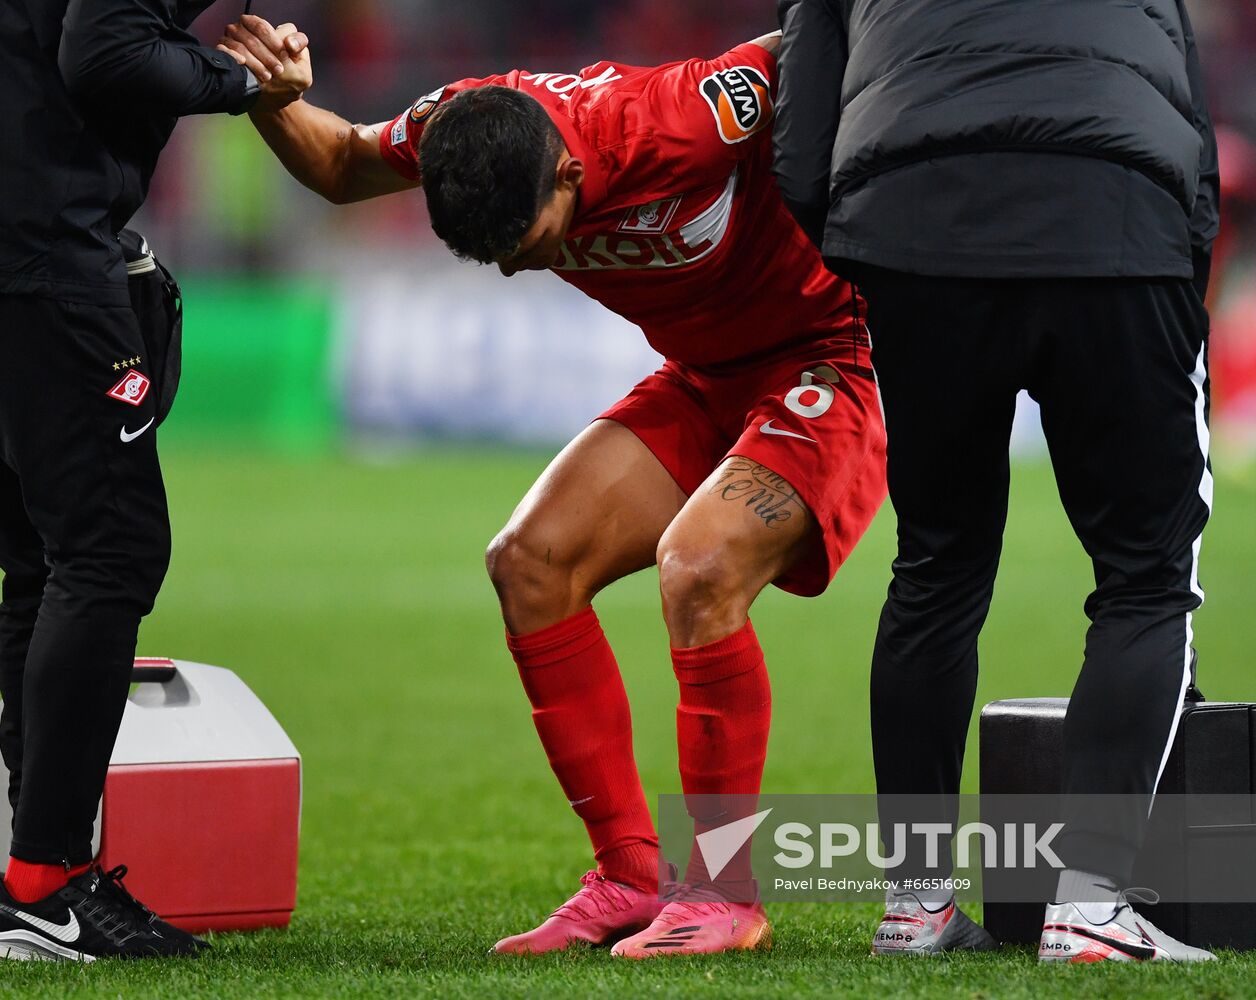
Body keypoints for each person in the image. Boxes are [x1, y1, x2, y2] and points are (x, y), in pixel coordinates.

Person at [221, 18, 888, 958]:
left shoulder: (684, 118)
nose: (508, 263)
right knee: (529, 564)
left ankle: (725, 895)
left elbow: (824, 35)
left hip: (826, 357)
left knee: (697, 568)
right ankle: (627, 875)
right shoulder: (458, 123)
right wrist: (266, 95)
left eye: (522, 238)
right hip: (703, 375)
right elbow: (339, 166)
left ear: (569, 177)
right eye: (484, 251)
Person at [773, 0, 1220, 963]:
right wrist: (1180, 253)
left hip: (917, 229)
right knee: (1147, 572)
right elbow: (1184, 92)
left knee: (936, 564)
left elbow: (801, 140)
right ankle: (1091, 907)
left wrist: (875, 249)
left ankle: (915, 907)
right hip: (1116, 220)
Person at [0, 2, 304, 962]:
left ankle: (32, 873)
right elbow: (102, 52)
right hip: (45, 255)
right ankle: (46, 884)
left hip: (15, 247)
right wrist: (251, 83)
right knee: (108, 549)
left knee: (40, 556)